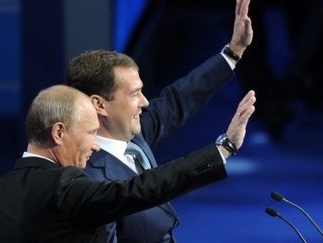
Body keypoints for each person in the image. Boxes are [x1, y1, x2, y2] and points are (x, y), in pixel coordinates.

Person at [66, 0, 253, 242]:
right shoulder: (88, 177)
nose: (145, 102)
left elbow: (180, 99)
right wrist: (225, 148)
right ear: (99, 105)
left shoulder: (134, 134)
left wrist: (233, 51)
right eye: (134, 94)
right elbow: (166, 180)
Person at [0, 85, 256, 242]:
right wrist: (224, 149)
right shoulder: (64, 186)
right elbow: (141, 189)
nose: (96, 145)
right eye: (90, 133)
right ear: (59, 133)